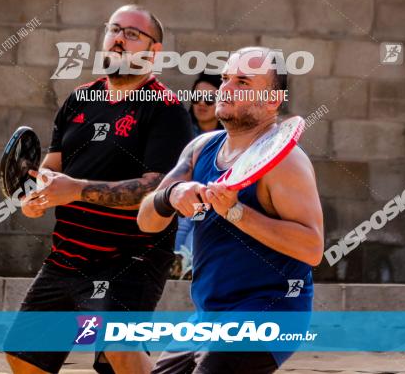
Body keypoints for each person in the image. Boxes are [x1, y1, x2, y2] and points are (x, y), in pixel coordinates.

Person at [5, 5, 194, 374]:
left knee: (118, 353)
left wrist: (75, 190)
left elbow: (155, 188)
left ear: (154, 52)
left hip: (130, 259)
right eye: (114, 29)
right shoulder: (78, 100)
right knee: (23, 356)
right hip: (67, 255)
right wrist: (38, 195)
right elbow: (53, 167)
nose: (119, 39)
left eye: (133, 34)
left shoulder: (166, 110)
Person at [138, 47, 324, 374]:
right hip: (208, 316)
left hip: (271, 312)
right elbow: (146, 221)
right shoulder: (200, 149)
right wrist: (171, 196)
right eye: (225, 78)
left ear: (272, 100)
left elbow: (312, 248)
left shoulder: (288, 163)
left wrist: (237, 212)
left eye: (242, 81)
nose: (225, 87)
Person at [171, 73, 222, 279]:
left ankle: (187, 265)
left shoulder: (229, 136)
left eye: (209, 99)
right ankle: (178, 264)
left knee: (199, 221)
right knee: (183, 223)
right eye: (197, 98)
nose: (202, 104)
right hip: (184, 198)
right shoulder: (182, 132)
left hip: (215, 200)